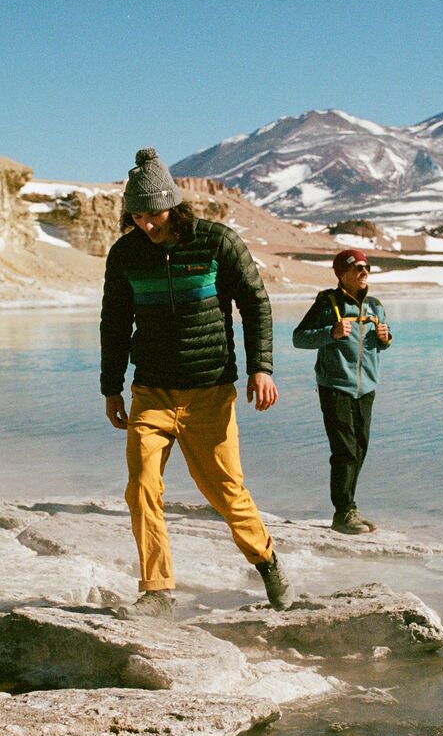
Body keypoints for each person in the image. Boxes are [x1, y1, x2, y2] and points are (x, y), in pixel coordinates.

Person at [100, 147, 296, 619]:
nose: (146, 224)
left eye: (154, 213)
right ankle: (157, 591)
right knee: (142, 485)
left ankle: (267, 562)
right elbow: (113, 322)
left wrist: (261, 368)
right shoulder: (125, 254)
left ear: (173, 204)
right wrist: (112, 387)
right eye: (138, 215)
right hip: (152, 391)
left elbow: (255, 304)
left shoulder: (215, 242)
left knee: (226, 492)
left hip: (210, 391)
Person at [292, 248, 392, 534]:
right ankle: (343, 512)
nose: (364, 272)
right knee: (345, 451)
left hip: (366, 388)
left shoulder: (375, 305)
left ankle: (350, 507)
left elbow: (378, 343)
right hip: (335, 387)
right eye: (356, 268)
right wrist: (330, 333)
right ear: (341, 274)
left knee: (359, 448)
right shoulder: (327, 303)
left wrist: (386, 339)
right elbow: (299, 338)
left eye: (366, 267)